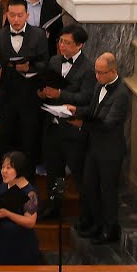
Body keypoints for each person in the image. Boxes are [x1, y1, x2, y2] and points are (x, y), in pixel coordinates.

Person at [37, 24, 95, 219]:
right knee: (54, 173)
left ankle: (87, 215)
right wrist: (42, 92)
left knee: (79, 175)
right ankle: (54, 207)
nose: (62, 45)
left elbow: (86, 97)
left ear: (79, 45)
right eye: (61, 41)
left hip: (72, 131)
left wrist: (60, 94)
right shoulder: (54, 61)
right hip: (52, 127)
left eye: (67, 43)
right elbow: (47, 84)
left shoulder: (88, 68)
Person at [72, 52, 130, 244]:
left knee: (107, 191)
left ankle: (110, 229)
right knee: (90, 187)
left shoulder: (121, 94)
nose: (97, 76)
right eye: (96, 72)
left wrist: (82, 124)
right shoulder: (99, 86)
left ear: (113, 71)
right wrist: (75, 110)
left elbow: (108, 123)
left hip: (110, 151)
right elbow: (92, 111)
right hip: (94, 147)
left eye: (101, 73)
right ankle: (97, 224)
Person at [0, 0, 49, 168]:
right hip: (6, 96)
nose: (16, 19)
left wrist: (29, 67)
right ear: (6, 15)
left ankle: (28, 177)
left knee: (29, 140)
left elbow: (45, 62)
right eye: (12, 15)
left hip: (30, 97)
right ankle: (5, 174)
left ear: (27, 15)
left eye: (20, 15)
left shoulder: (38, 35)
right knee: (6, 138)